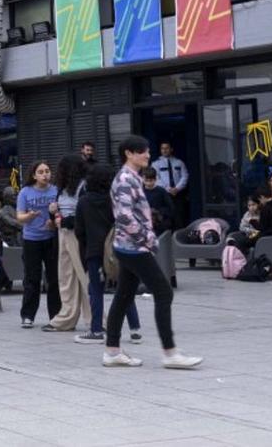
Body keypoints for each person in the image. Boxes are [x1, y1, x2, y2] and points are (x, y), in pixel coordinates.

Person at [104, 135, 202, 369]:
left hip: (129, 246)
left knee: (124, 296)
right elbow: (124, 216)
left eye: (148, 151)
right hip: (134, 248)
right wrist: (147, 238)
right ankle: (170, 353)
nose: (148, 155)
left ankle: (112, 351)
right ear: (129, 153)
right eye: (143, 151)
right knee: (163, 292)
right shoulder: (126, 179)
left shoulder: (132, 177)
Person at [73, 162, 142, 345]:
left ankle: (96, 330)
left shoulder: (84, 202)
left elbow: (79, 232)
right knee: (123, 288)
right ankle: (135, 329)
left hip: (94, 252)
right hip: (118, 249)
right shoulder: (116, 200)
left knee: (95, 290)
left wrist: (84, 256)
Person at [45, 154, 91, 333]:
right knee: (66, 277)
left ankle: (95, 319)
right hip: (63, 234)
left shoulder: (84, 187)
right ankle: (66, 318)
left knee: (84, 277)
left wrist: (65, 221)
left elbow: (86, 214)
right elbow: (60, 210)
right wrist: (53, 212)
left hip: (77, 236)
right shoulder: (62, 188)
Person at [17, 160, 60, 328]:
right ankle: (27, 315)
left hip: (51, 239)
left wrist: (54, 220)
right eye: (41, 172)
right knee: (32, 279)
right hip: (31, 239)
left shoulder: (56, 191)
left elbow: (62, 212)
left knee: (54, 278)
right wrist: (30, 216)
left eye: (47, 171)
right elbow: (19, 217)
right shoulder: (25, 192)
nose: (45, 174)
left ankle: (55, 315)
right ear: (34, 175)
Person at [150, 142, 188, 221]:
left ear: (171, 149)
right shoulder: (156, 163)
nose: (164, 150)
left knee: (179, 215)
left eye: (166, 148)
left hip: (178, 193)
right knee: (166, 216)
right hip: (164, 193)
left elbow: (185, 176)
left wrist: (177, 188)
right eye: (162, 148)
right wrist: (168, 189)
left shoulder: (179, 162)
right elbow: (156, 178)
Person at [142, 167, 174, 232]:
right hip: (144, 225)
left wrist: (158, 212)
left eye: (151, 181)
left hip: (160, 225)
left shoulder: (161, 191)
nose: (148, 183)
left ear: (155, 179)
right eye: (146, 180)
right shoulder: (140, 192)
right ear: (142, 179)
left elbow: (171, 208)